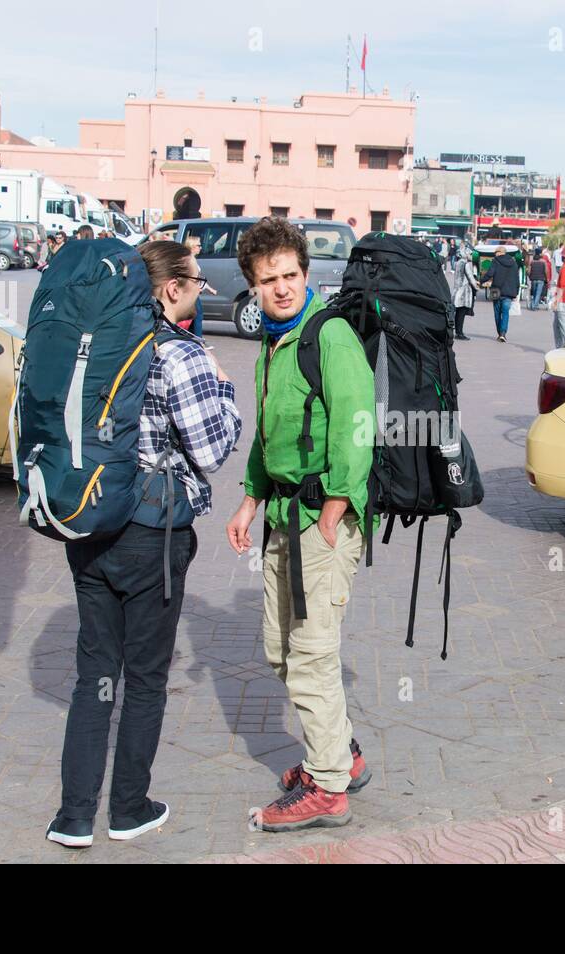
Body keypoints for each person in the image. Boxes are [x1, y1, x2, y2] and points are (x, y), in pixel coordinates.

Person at [47, 240, 242, 849]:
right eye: (192, 282)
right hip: (151, 535)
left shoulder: (99, 342)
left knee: (94, 675)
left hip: (88, 522)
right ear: (170, 289)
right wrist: (227, 394)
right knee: (148, 678)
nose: (198, 292)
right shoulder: (180, 355)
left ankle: (74, 816)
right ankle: (128, 808)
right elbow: (211, 451)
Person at [224, 216, 375, 833]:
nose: (281, 288)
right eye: (268, 280)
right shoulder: (272, 342)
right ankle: (339, 752)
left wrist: (336, 508)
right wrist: (249, 499)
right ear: (253, 287)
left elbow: (358, 426)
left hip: (321, 520)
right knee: (281, 650)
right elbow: (269, 431)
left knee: (312, 655)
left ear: (305, 275)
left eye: (290, 275)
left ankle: (328, 787)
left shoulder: (329, 337)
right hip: (282, 518)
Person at [481, 247, 520, 342]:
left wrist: (481, 280)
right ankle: (503, 333)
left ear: (499, 253)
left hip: (496, 290)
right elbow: (516, 279)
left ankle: (500, 333)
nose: (494, 254)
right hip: (509, 292)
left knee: (497, 312)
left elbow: (490, 274)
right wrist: (516, 292)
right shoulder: (513, 263)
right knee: (505, 313)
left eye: (495, 253)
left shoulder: (495, 261)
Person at [452, 249, 480, 340]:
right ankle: (460, 333)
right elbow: (470, 277)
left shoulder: (457, 263)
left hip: (457, 290)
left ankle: (457, 332)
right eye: (470, 254)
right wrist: (476, 286)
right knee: (462, 313)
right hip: (464, 292)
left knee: (458, 313)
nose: (471, 255)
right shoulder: (466, 264)